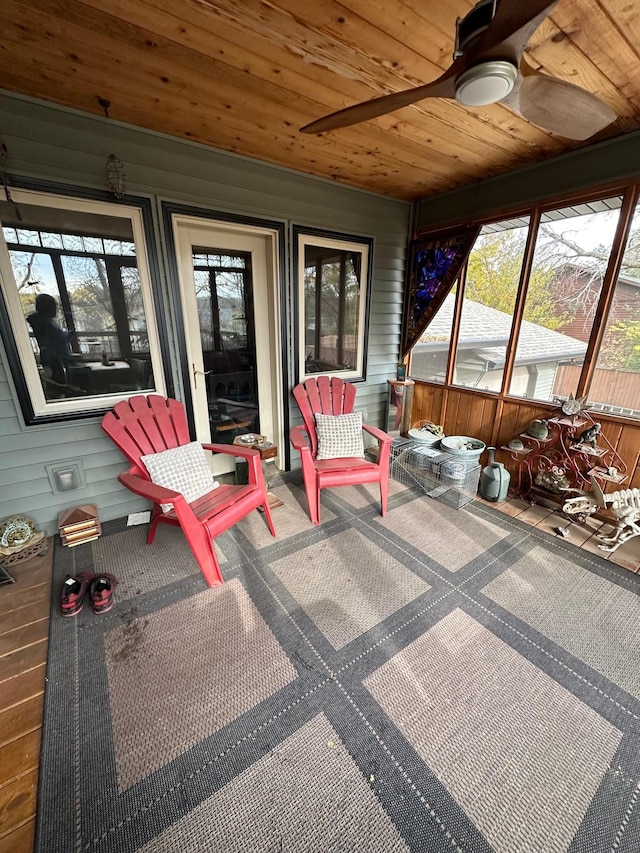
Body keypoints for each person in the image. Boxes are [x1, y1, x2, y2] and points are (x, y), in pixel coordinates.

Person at [26, 293, 75, 384]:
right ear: (48, 307)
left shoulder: (48, 323)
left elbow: (61, 340)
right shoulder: (45, 324)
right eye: (54, 306)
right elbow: (58, 342)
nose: (56, 309)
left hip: (57, 360)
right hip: (55, 362)